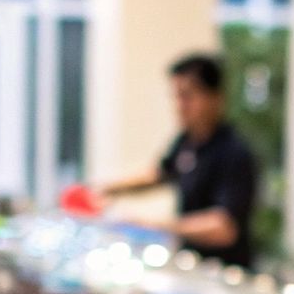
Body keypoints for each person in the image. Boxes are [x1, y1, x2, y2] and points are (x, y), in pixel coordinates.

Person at [104, 54, 258, 267]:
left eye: (187, 96)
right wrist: (105, 190)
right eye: (176, 96)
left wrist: (153, 225)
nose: (179, 106)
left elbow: (223, 228)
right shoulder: (187, 141)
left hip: (223, 272)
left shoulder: (234, 153)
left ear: (216, 98)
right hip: (191, 263)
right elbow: (159, 174)